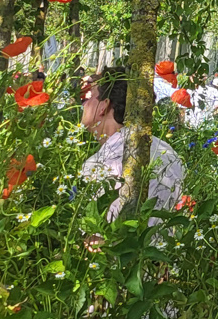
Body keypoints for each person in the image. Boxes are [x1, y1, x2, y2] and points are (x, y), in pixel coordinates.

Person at [77, 68, 187, 222]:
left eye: (90, 97)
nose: (84, 104)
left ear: (104, 105)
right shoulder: (168, 152)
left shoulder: (99, 164)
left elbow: (96, 237)